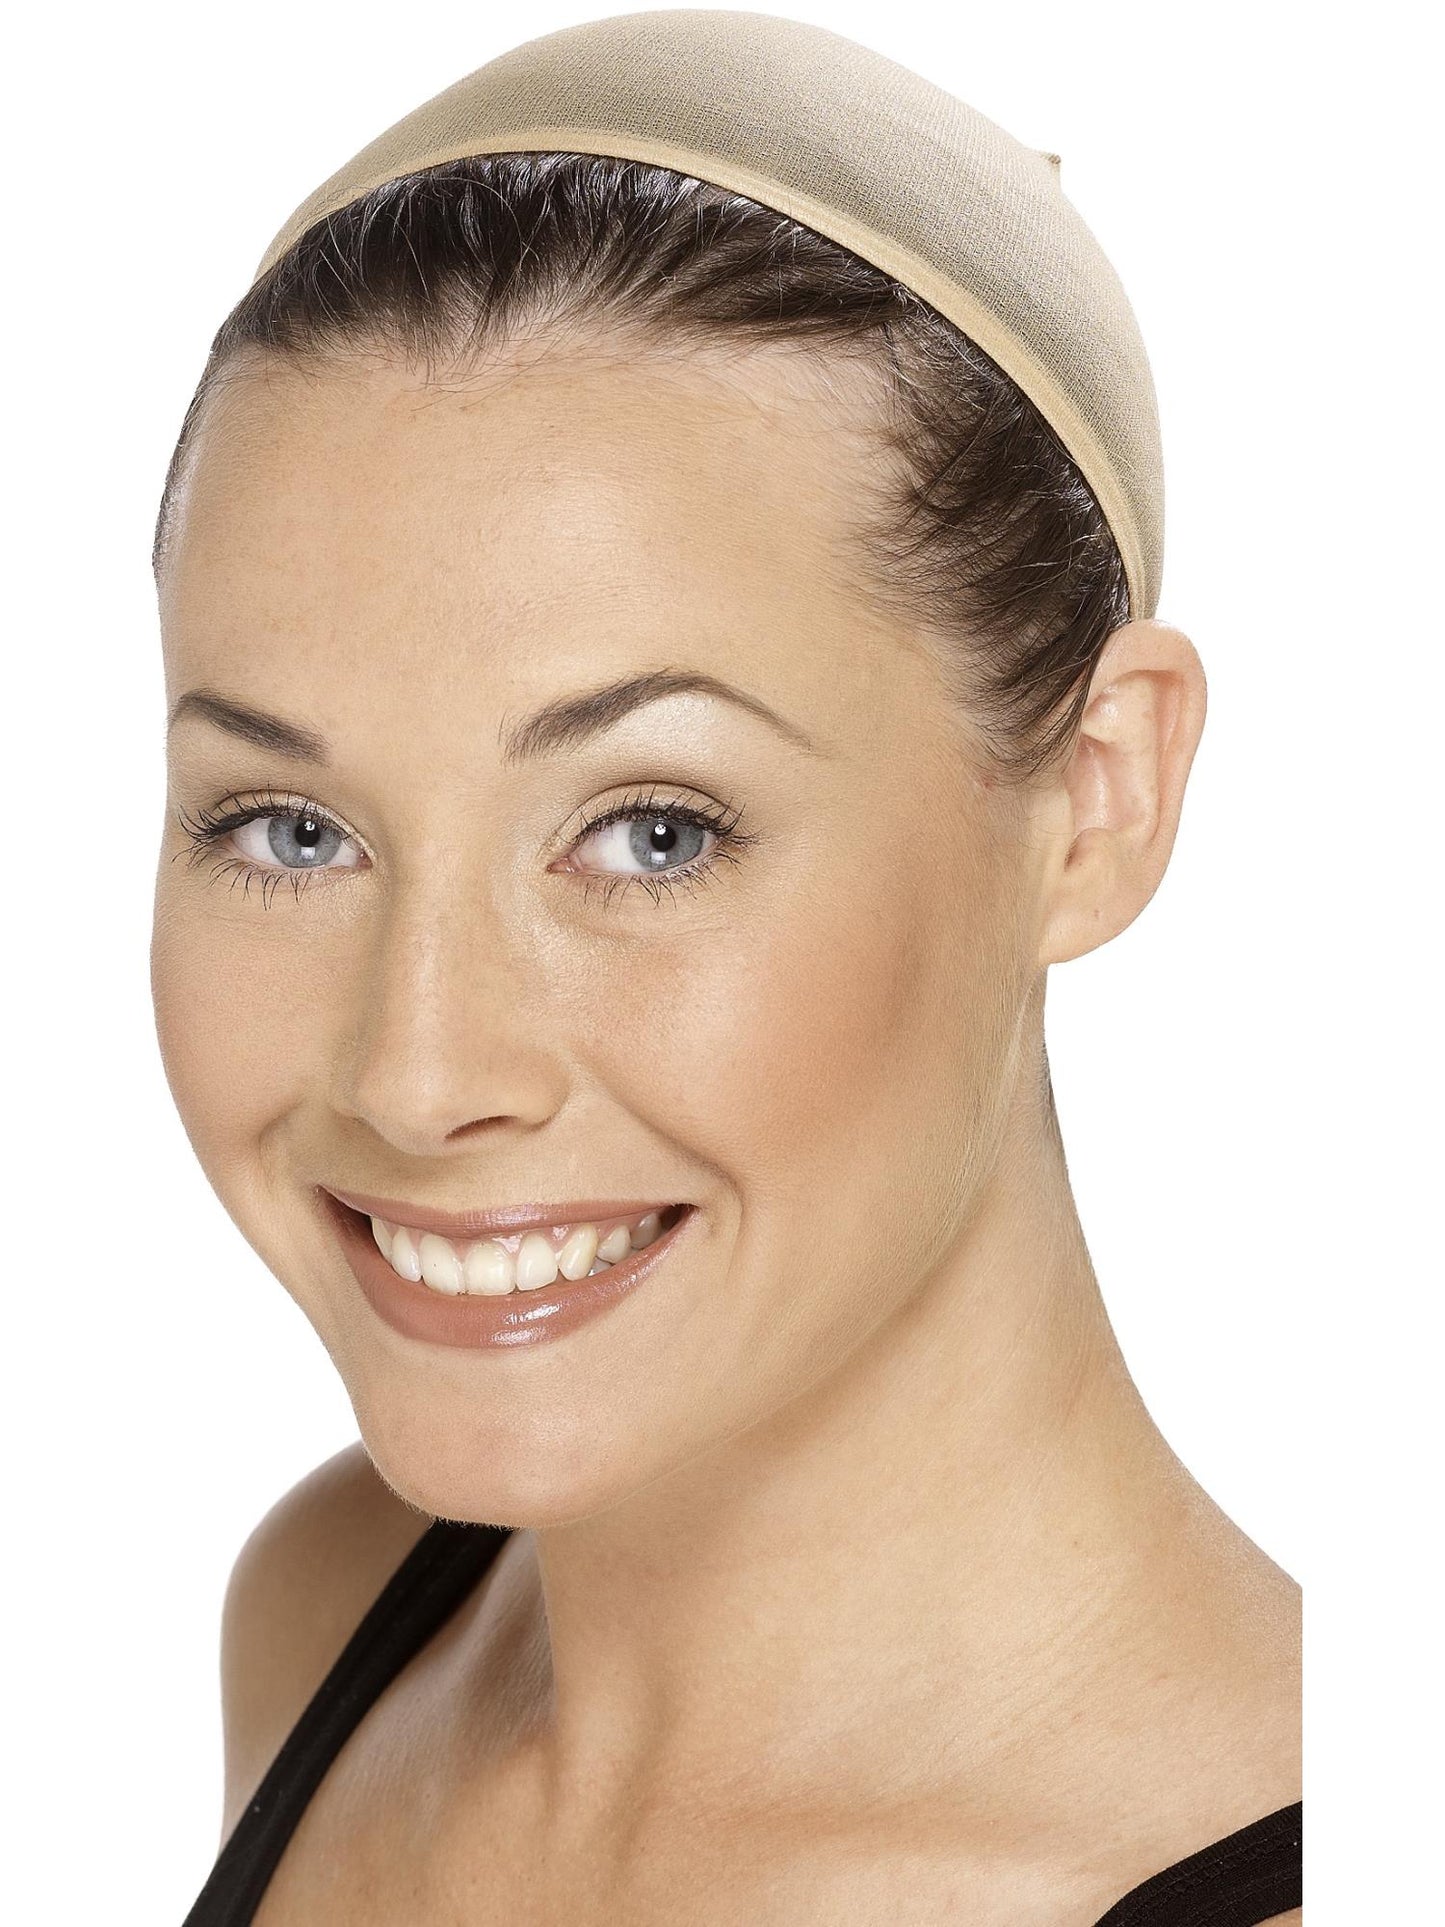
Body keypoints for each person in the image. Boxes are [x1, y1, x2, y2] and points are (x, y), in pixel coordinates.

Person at [155, 13, 1301, 1922]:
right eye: (291, 831)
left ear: (1093, 799)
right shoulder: (334, 1617)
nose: (419, 1074)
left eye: (653, 832)